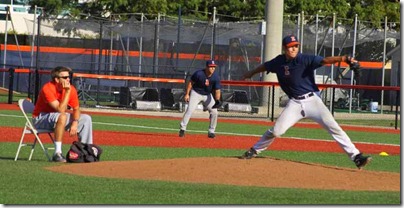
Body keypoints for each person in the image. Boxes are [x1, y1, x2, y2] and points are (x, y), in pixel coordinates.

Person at [240, 34, 372, 169]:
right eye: (290, 47)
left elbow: (325, 60)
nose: (294, 49)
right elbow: (264, 66)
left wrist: (344, 58)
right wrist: (251, 73)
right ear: (285, 48)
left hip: (313, 101)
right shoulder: (278, 62)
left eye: (296, 46)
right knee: (276, 131)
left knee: (334, 127)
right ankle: (254, 150)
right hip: (295, 104)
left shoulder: (305, 59)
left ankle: (356, 157)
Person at [33, 66, 94, 162]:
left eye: (69, 77)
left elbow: (76, 108)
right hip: (41, 118)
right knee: (62, 115)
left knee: (86, 118)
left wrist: (75, 122)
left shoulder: (71, 88)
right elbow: (61, 110)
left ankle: (86, 152)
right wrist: (67, 92)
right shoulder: (47, 88)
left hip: (58, 118)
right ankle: (57, 153)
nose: (68, 79)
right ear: (57, 79)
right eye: (65, 77)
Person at [179, 60, 222, 138]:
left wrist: (217, 100)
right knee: (190, 110)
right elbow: (190, 83)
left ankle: (211, 131)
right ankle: (182, 129)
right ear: (206, 67)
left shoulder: (215, 77)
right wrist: (187, 94)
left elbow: (217, 90)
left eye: (214, 67)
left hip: (207, 95)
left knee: (214, 112)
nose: (213, 68)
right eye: (211, 67)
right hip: (196, 93)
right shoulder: (199, 74)